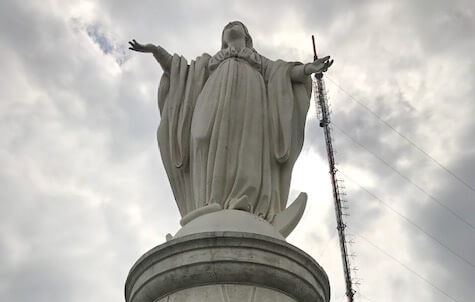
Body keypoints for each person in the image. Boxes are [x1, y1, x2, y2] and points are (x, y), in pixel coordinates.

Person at [128, 22, 333, 222]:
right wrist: (156, 51)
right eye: (227, 27)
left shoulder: (257, 60)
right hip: (212, 100)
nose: (232, 26)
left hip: (250, 101)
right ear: (223, 38)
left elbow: (285, 73)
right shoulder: (209, 62)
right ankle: (208, 200)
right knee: (202, 137)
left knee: (246, 148)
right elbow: (179, 71)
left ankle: (244, 201)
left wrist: (307, 69)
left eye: (237, 26)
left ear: (246, 36)